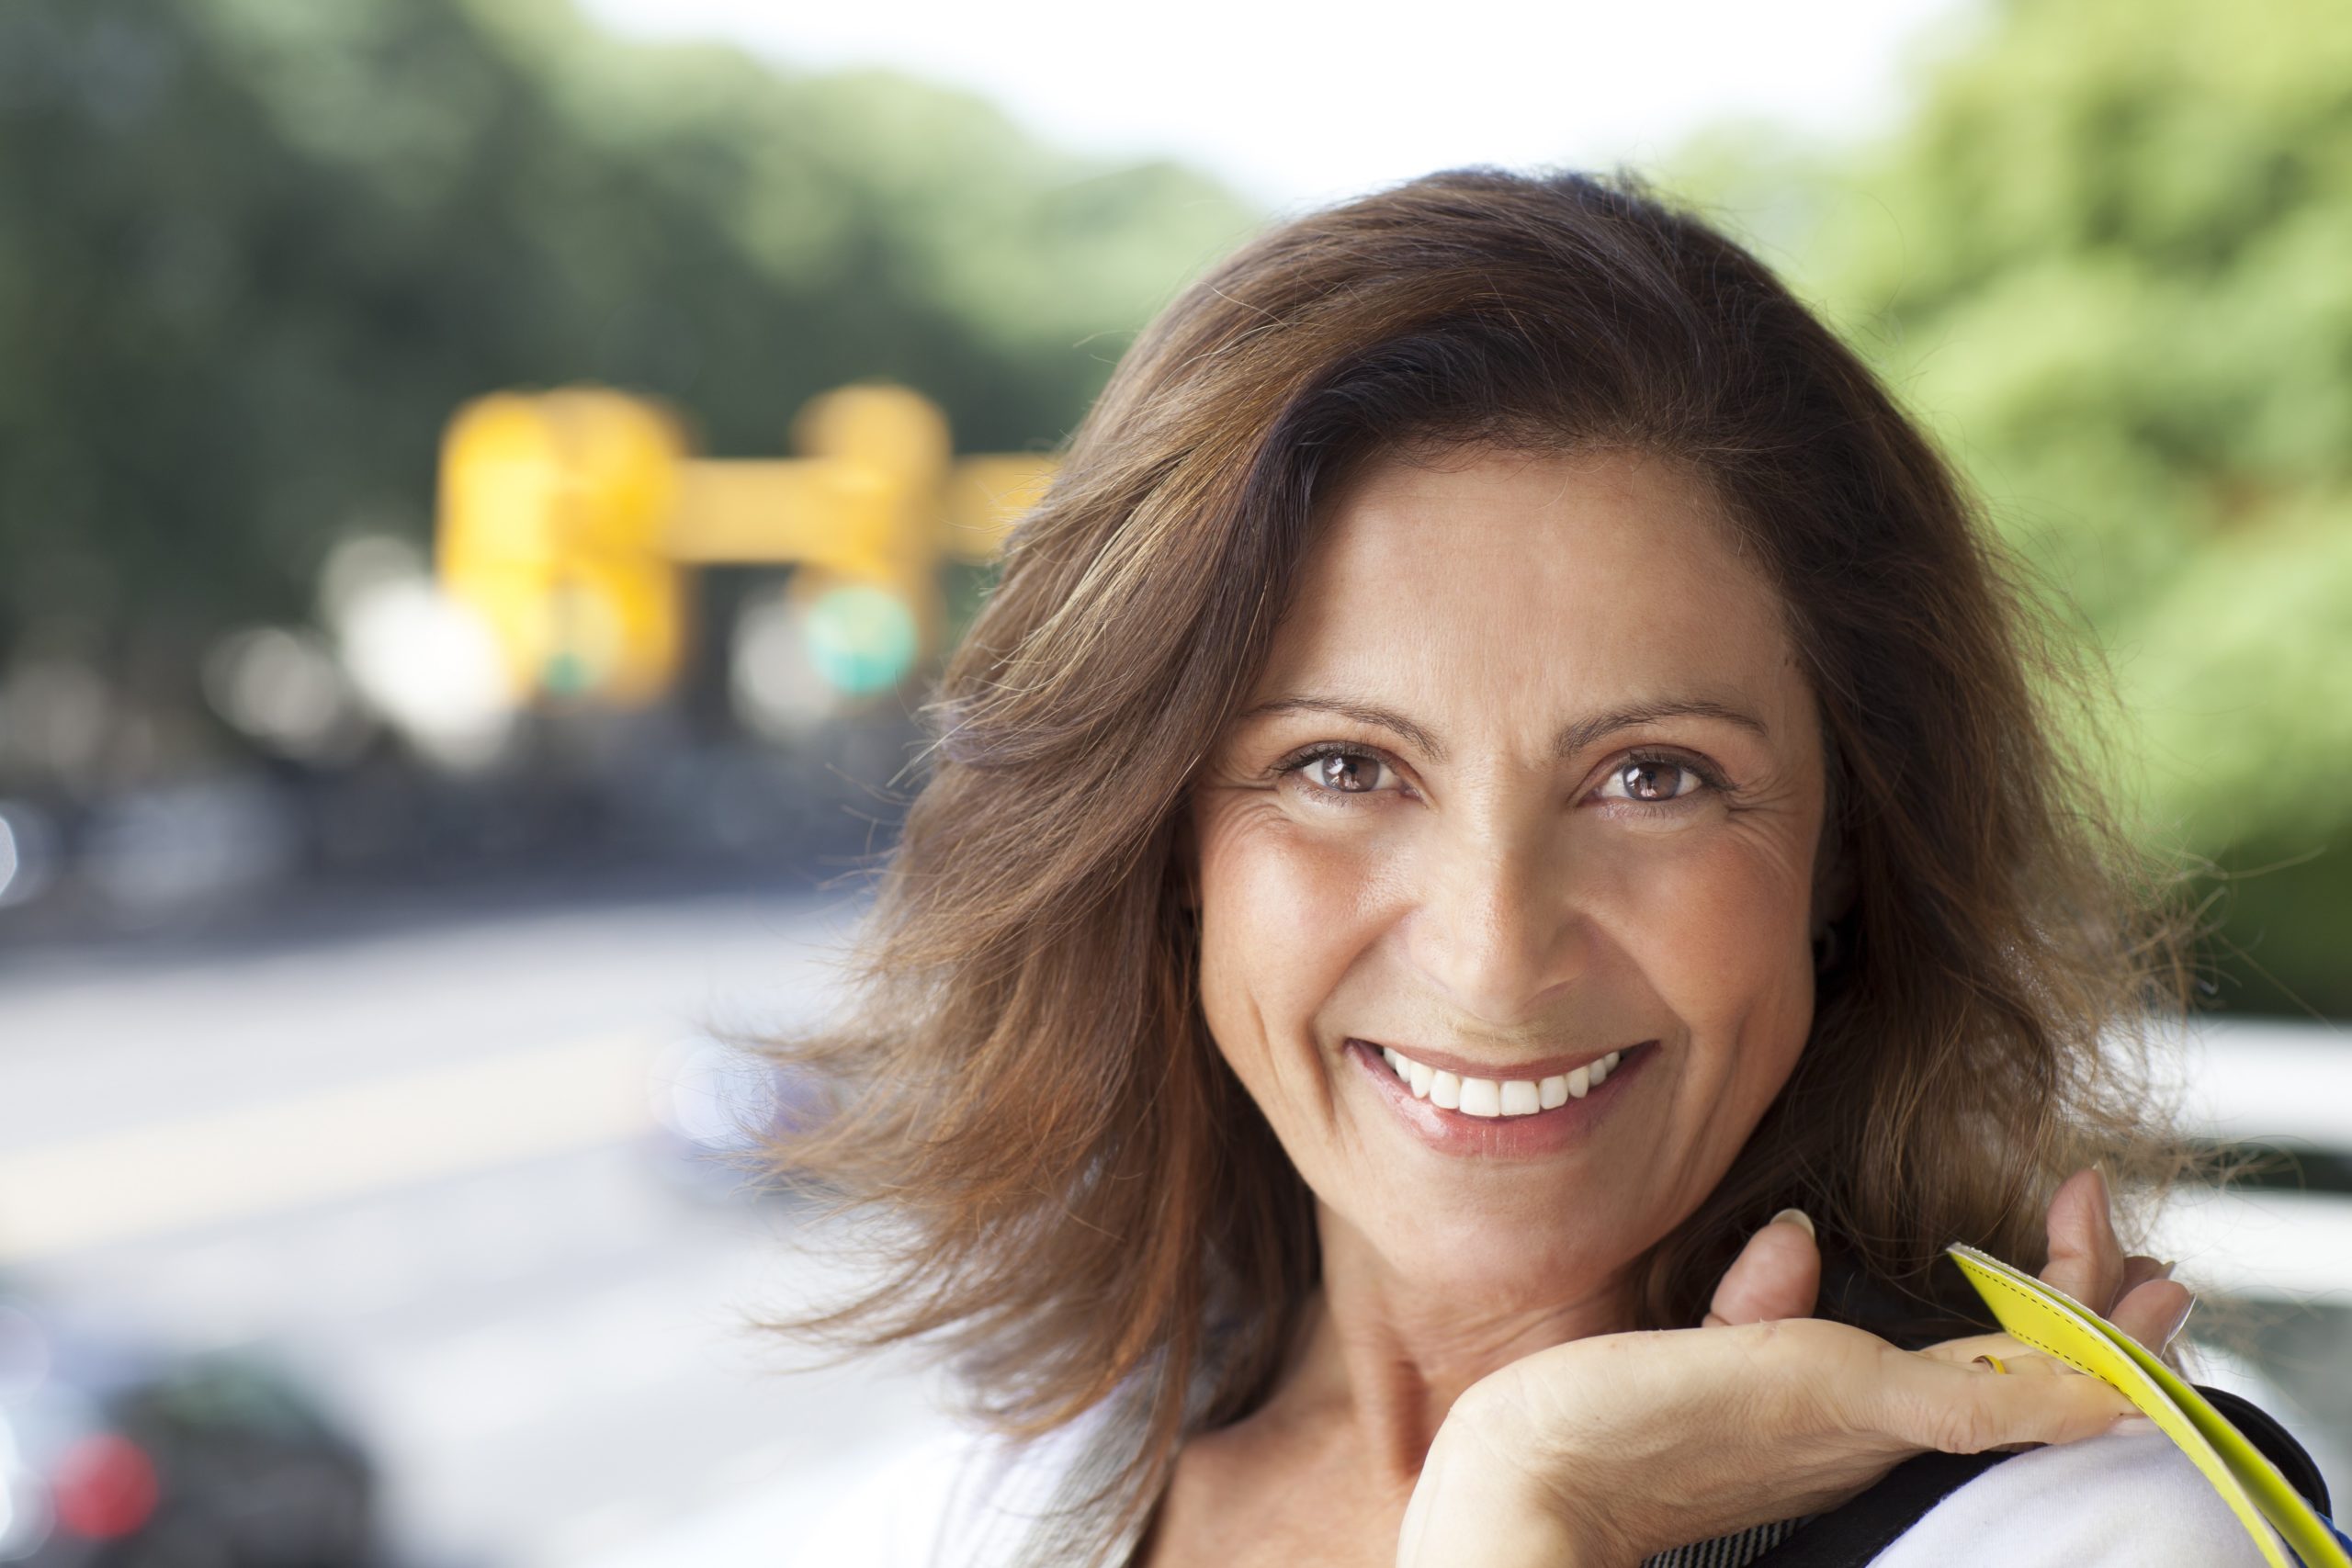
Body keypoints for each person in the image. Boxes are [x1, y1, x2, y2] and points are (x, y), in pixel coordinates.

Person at [770, 166, 2320, 1566]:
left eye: (1654, 778)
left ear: (1848, 849)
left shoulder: (2097, 1542)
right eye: (1343, 768)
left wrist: (1535, 1502)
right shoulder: (990, 1501)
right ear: (1167, 840)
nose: (1493, 955)